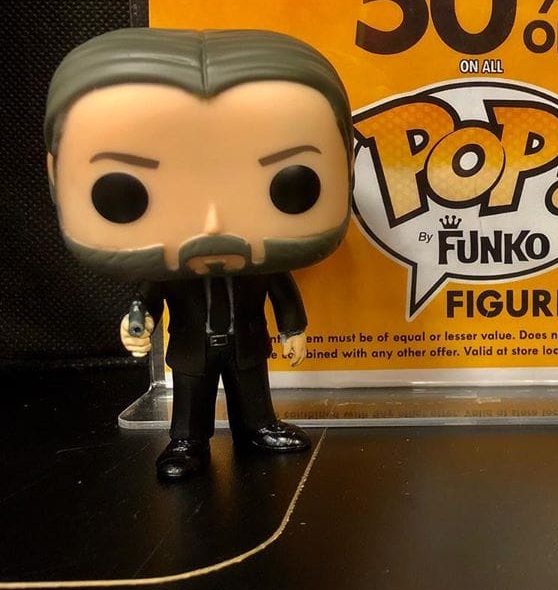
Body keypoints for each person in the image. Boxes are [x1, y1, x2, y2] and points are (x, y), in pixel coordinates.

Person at [46, 28, 354, 479]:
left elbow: (282, 289)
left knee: (252, 387)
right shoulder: (167, 268)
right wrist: (137, 322)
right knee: (192, 396)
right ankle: (187, 442)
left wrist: (293, 329)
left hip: (246, 341)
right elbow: (147, 298)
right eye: (124, 194)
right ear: (54, 174)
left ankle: (259, 427)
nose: (213, 225)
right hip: (192, 347)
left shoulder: (261, 264)